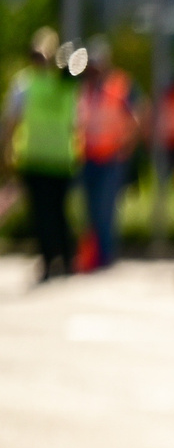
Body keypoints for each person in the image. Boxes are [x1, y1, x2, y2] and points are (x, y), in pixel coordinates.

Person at [3, 29, 80, 279]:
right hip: (41, 159)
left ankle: (61, 259)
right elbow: (11, 122)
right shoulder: (35, 85)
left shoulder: (43, 84)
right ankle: (56, 260)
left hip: (51, 159)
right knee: (47, 214)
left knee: (52, 214)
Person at [75, 36, 141, 268]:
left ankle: (105, 255)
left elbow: (138, 118)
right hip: (88, 157)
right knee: (90, 210)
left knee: (105, 209)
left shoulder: (120, 86)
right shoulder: (85, 89)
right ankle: (95, 254)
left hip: (111, 158)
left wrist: (126, 148)